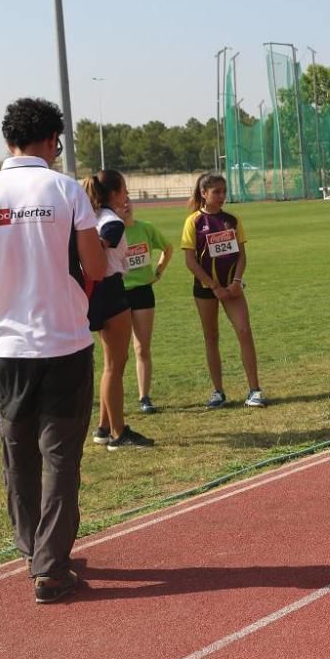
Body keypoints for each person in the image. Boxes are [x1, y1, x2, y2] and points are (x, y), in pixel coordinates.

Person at [0, 97, 106, 602]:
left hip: (6, 346)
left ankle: (33, 551)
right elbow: (96, 267)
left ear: (8, 139)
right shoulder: (64, 190)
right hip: (63, 341)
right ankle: (51, 567)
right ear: (51, 140)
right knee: (60, 457)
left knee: (18, 455)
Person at [182, 173, 267, 409]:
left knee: (244, 331)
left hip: (233, 288)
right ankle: (218, 392)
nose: (221, 196)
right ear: (204, 193)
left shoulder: (232, 219)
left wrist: (236, 282)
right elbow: (190, 262)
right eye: (216, 192)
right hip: (206, 289)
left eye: (224, 191)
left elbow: (241, 255)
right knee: (211, 337)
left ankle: (254, 390)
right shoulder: (193, 222)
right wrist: (214, 286)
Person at [83, 171, 154, 450]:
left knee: (111, 364)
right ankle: (118, 432)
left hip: (98, 291)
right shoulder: (112, 223)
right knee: (116, 364)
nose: (127, 194)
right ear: (115, 192)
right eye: (124, 189)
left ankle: (103, 427)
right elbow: (94, 252)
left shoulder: (93, 216)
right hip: (110, 289)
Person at [120, 198, 172, 413]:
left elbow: (168, 248)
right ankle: (115, 399)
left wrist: (158, 271)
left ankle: (144, 397)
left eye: (128, 201)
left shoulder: (146, 228)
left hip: (143, 292)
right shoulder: (110, 231)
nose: (126, 205)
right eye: (121, 202)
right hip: (119, 294)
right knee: (119, 353)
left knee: (142, 348)